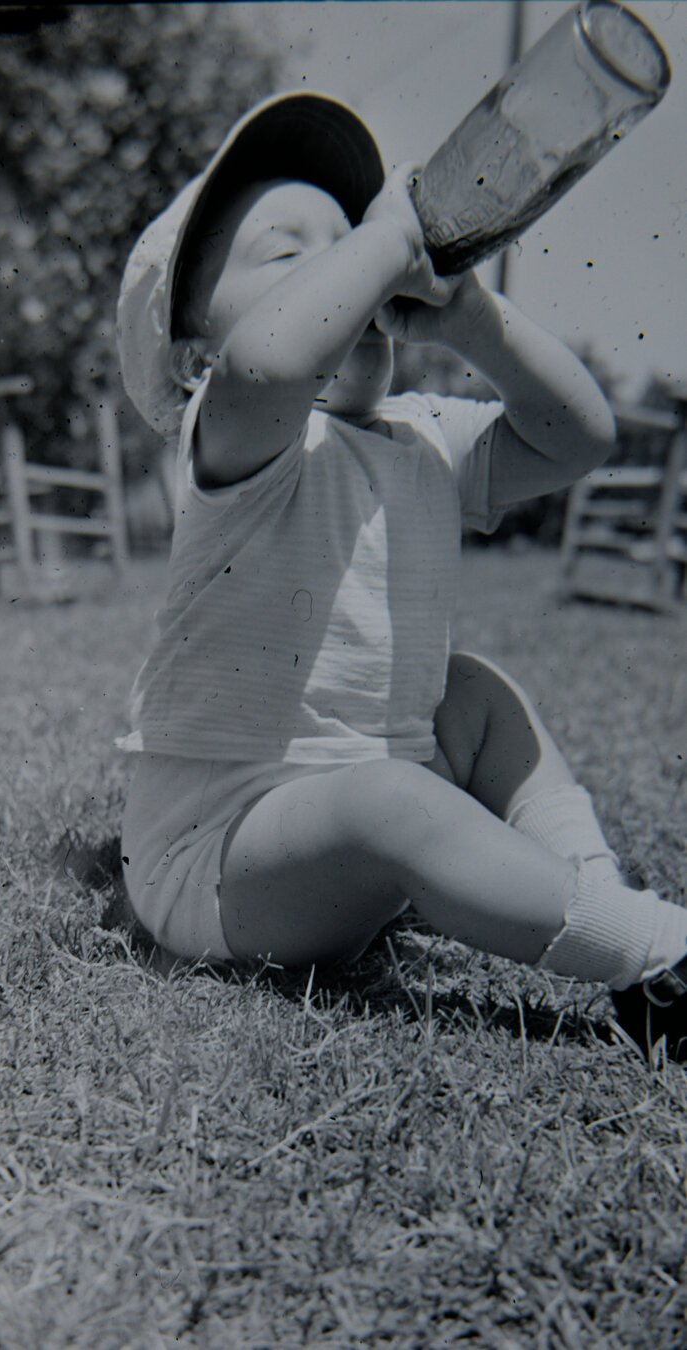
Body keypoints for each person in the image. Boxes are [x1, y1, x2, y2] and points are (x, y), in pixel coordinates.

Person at [114, 92, 687, 1060]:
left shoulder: (422, 433)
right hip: (220, 866)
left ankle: (592, 885)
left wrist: (471, 319)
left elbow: (577, 437)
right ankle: (651, 953)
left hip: (361, 812)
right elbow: (269, 365)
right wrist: (385, 240)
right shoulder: (244, 431)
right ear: (192, 363)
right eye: (295, 256)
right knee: (385, 797)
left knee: (475, 692)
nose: (356, 266)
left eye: (352, 240)